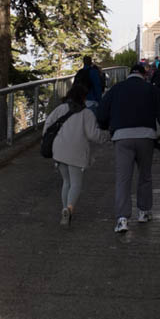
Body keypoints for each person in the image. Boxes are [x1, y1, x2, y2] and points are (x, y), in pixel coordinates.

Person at [96, 62, 160, 233]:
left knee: (123, 179)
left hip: (122, 138)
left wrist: (105, 126)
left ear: (129, 74)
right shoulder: (151, 89)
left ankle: (122, 219)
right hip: (146, 137)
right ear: (144, 75)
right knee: (145, 176)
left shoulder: (116, 89)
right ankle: (144, 212)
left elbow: (101, 111)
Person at [43, 83, 109, 226]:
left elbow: (48, 125)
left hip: (59, 150)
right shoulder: (87, 113)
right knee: (76, 183)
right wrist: (107, 135)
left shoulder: (60, 109)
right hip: (76, 152)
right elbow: (93, 135)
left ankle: (64, 208)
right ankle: (69, 209)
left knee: (66, 182)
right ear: (83, 98)